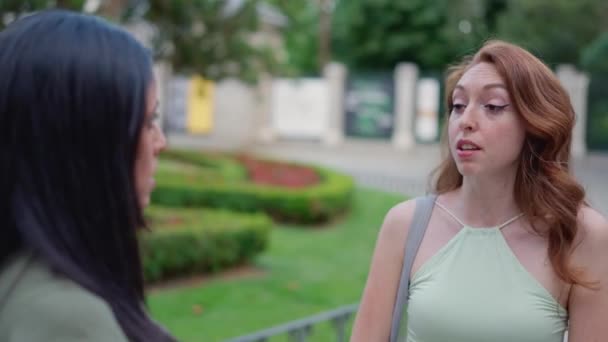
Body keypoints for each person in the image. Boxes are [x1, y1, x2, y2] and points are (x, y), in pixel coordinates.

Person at [351, 40, 608, 341]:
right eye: (458, 106)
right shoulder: (405, 225)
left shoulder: (581, 235)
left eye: (493, 106)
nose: (465, 121)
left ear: (535, 125)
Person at [0, 10, 173, 341]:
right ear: (91, 140)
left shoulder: (25, 276)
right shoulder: (64, 319)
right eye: (149, 120)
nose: (160, 143)